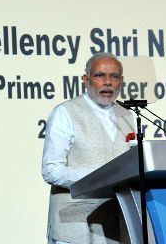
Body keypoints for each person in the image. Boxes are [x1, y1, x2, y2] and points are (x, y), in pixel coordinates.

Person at [41, 53, 136, 244]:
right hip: (74, 228)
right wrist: (99, 178)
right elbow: (51, 170)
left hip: (117, 227)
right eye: (100, 75)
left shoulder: (128, 116)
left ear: (121, 81)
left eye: (114, 77)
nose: (107, 82)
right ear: (85, 80)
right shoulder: (65, 112)